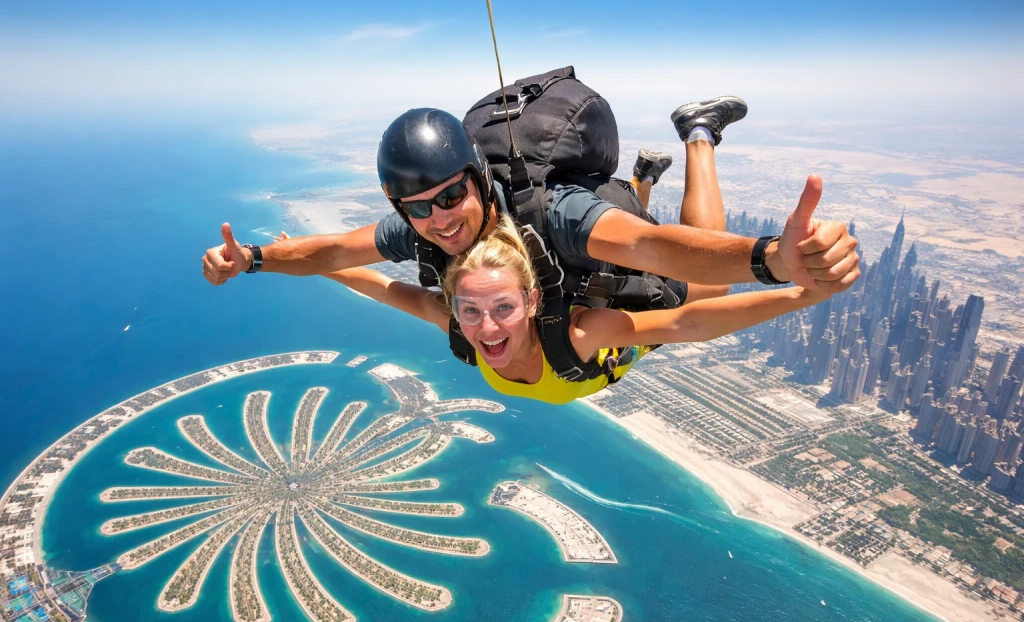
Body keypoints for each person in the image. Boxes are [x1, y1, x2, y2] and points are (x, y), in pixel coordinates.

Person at [202, 97, 859, 305]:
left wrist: (771, 259)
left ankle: (698, 134)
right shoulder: (426, 228)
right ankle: (643, 179)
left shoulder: (552, 215)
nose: (441, 219)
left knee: (700, 292)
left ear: (476, 177)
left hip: (603, 235)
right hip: (596, 240)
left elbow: (662, 249)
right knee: (633, 207)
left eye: (451, 195)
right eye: (418, 209)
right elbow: (332, 250)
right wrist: (254, 259)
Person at [312, 204, 844, 404]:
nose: (485, 326)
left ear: (532, 299)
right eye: (469, 310)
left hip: (633, 306)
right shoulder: (457, 322)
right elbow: (384, 288)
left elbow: (687, 321)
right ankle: (641, 182)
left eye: (502, 308)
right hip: (599, 312)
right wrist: (322, 267)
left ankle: (699, 133)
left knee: (711, 270)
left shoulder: (578, 335)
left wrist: (798, 293)